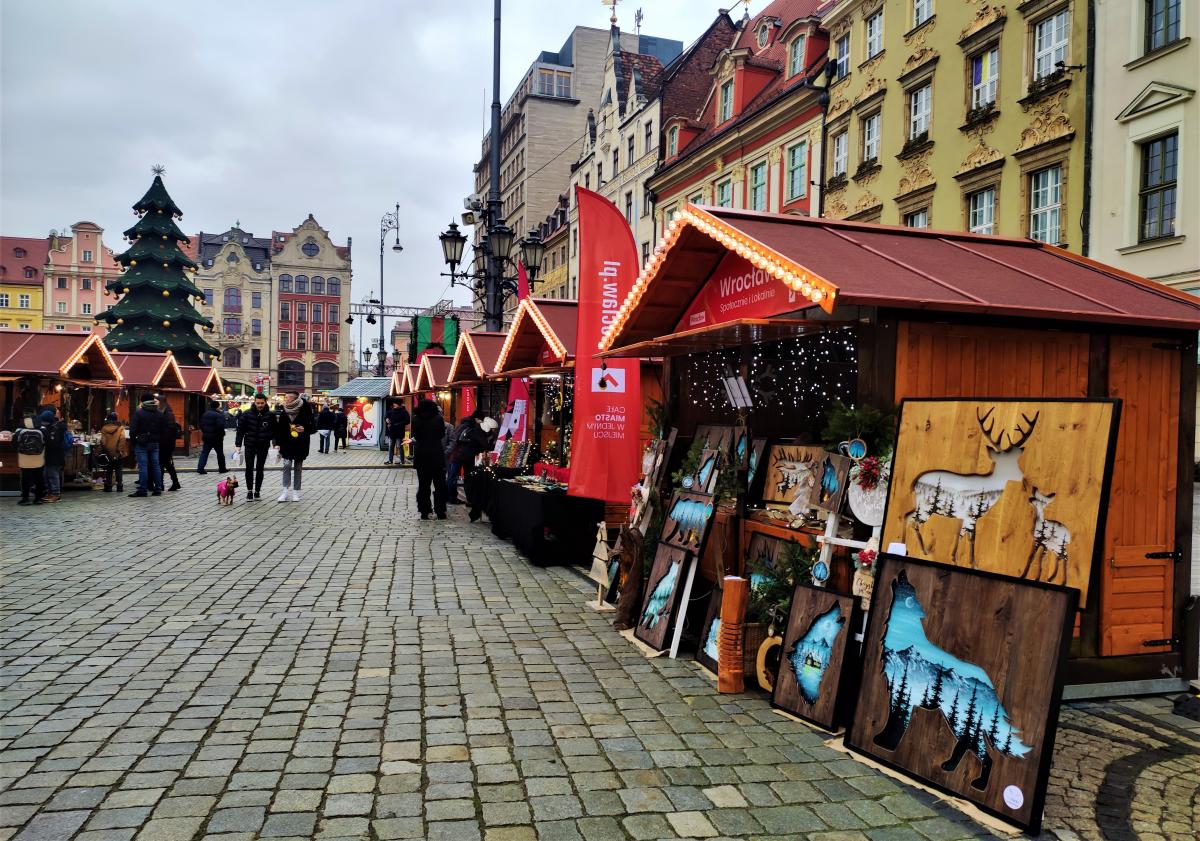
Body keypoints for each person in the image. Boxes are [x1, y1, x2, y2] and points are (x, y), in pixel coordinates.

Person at [411, 398, 448, 520]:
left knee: (423, 485)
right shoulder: (438, 419)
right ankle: (440, 511)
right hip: (436, 455)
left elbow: (415, 435)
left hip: (421, 455)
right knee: (440, 485)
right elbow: (442, 434)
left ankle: (424, 511)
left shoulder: (415, 419)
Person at [274, 390, 316, 502]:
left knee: (298, 467)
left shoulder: (306, 408)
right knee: (286, 465)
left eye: (287, 397)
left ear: (293, 398)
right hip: (286, 443)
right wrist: (277, 443)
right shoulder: (285, 409)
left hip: (300, 443)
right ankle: (285, 491)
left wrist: (305, 429)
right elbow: (280, 429)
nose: (285, 399)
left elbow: (314, 427)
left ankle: (296, 492)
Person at [235, 392, 277, 500]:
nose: (260, 405)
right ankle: (249, 491)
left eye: (262, 403)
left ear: (265, 402)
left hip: (263, 444)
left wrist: (275, 443)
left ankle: (257, 491)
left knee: (260, 468)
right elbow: (240, 430)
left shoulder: (270, 415)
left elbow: (275, 431)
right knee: (249, 467)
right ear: (254, 402)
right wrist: (238, 444)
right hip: (250, 444)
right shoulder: (246, 414)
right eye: (258, 403)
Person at [446, 408, 486, 504]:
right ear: (477, 419)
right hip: (467, 457)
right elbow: (481, 444)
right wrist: (479, 449)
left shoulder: (462, 425)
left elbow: (454, 439)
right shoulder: (474, 428)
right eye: (481, 420)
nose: (482, 422)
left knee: (452, 477)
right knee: (468, 478)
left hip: (456, 455)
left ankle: (451, 498)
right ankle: (470, 499)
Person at [128, 394, 164, 497]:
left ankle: (143, 489)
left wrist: (134, 442)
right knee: (156, 466)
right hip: (155, 442)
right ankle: (158, 488)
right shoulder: (159, 413)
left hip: (142, 443)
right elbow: (163, 429)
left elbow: (133, 430)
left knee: (143, 466)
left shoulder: (139, 413)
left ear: (142, 401)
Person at [38, 406, 68, 503]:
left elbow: (54, 443)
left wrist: (45, 435)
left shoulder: (54, 429)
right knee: (47, 474)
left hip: (55, 457)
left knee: (53, 475)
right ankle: (50, 492)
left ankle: (56, 494)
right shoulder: (51, 428)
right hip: (50, 456)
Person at [16, 415, 46, 505]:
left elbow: (14, 443)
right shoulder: (42, 430)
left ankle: (25, 498)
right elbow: (47, 442)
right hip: (38, 458)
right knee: (39, 479)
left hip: (24, 459)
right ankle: (38, 498)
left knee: (25, 479)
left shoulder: (20, 431)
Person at [98, 411, 129, 493]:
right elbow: (122, 439)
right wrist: (119, 450)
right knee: (119, 469)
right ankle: (119, 486)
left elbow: (103, 441)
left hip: (108, 452)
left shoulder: (104, 428)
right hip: (118, 452)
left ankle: (108, 486)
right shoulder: (120, 428)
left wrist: (104, 450)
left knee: (109, 470)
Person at [156, 396, 182, 491]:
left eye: (156, 401)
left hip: (166, 443)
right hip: (166, 442)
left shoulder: (168, 413)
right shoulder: (164, 411)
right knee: (164, 463)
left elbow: (169, 429)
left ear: (161, 402)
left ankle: (169, 483)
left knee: (164, 463)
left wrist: (162, 438)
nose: (155, 403)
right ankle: (170, 483)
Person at [197, 400, 227, 474]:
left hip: (207, 437)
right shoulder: (219, 415)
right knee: (220, 453)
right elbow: (220, 426)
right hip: (217, 437)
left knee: (204, 453)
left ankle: (200, 468)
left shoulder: (205, 414)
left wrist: (205, 432)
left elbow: (201, 425)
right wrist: (222, 434)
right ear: (217, 406)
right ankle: (222, 468)